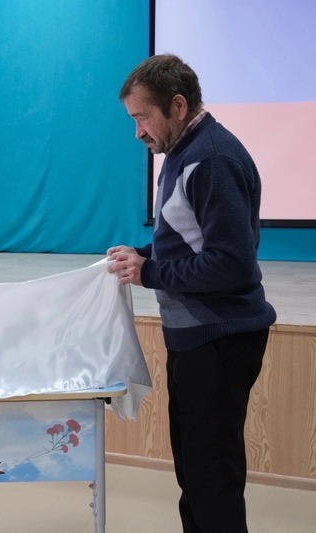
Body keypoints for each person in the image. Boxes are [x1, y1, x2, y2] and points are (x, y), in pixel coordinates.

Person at [106, 54, 276, 532]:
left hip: (219, 339)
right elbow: (187, 241)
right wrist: (141, 255)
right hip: (197, 339)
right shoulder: (183, 152)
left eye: (143, 117)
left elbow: (231, 263)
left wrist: (150, 272)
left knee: (212, 482)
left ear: (177, 106)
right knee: (195, 475)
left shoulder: (212, 159)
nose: (137, 132)